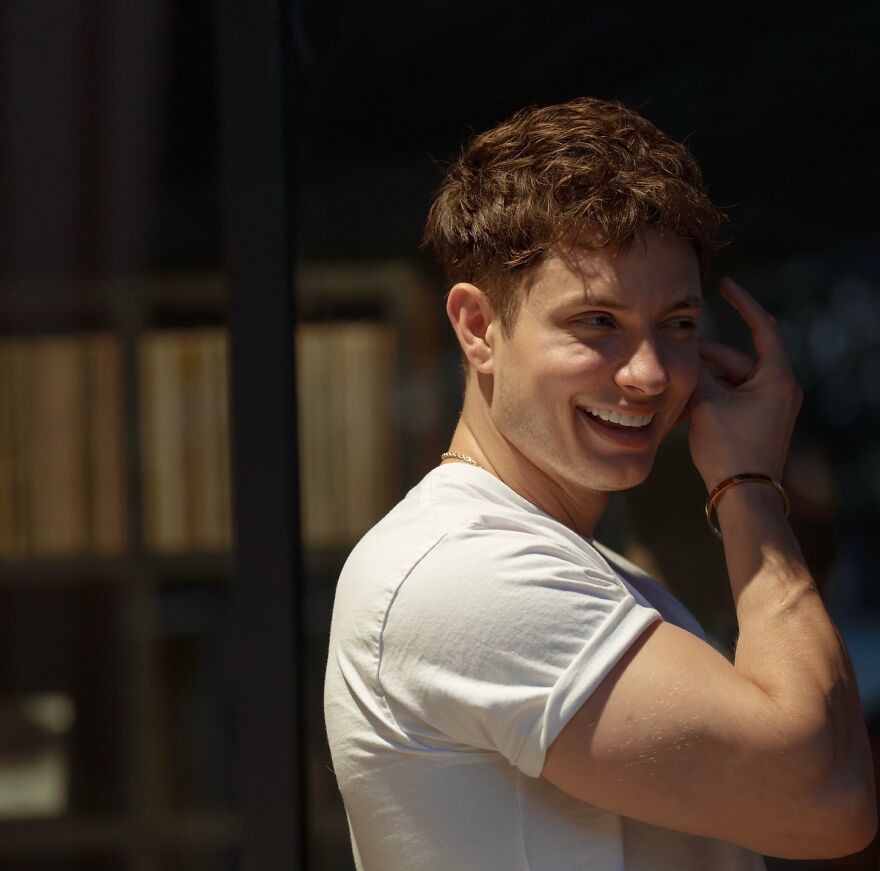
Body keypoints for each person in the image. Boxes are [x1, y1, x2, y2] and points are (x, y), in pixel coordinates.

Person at [323, 97, 876, 870]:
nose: (650, 373)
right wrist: (748, 483)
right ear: (479, 327)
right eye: (597, 323)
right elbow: (826, 801)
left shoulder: (574, 567)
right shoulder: (463, 570)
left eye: (678, 324)